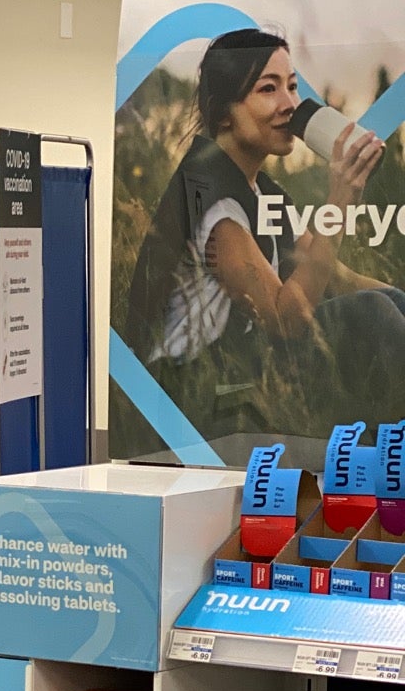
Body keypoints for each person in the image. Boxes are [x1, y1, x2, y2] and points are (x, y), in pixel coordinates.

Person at [125, 27, 405, 438]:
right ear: (224, 112)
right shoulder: (213, 201)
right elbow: (284, 319)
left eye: (291, 86)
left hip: (240, 367)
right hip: (198, 395)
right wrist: (339, 199)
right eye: (268, 89)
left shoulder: (262, 192)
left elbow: (337, 279)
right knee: (370, 314)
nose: (290, 104)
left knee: (387, 301)